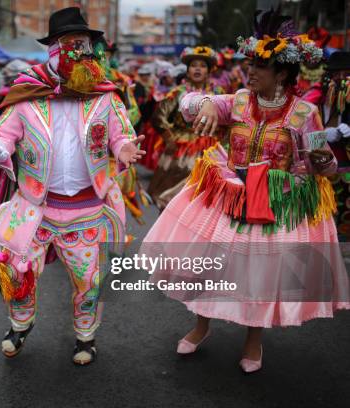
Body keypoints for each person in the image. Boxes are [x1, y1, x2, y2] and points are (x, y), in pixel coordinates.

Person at [142, 8, 350, 373]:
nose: (250, 71)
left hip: (270, 204)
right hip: (226, 195)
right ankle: (200, 325)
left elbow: (325, 167)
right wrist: (205, 102)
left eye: (259, 66)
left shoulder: (305, 115)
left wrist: (322, 162)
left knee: (257, 277)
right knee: (205, 268)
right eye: (249, 64)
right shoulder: (237, 100)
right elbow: (189, 105)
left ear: (282, 74)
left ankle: (253, 343)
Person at [0, 7, 145, 365]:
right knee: (16, 269)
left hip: (86, 209)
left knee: (88, 281)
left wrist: (125, 148)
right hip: (34, 208)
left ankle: (85, 337)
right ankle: (20, 324)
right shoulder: (26, 96)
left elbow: (120, 135)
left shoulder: (106, 97)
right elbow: (4, 137)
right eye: (73, 46)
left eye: (87, 46)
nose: (83, 54)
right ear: (53, 51)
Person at [147, 46, 224, 209]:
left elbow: (228, 120)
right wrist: (169, 138)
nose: (197, 68)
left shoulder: (219, 93)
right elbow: (158, 117)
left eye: (202, 66)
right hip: (180, 150)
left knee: (204, 201)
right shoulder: (178, 92)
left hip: (210, 149)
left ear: (209, 71)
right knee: (171, 199)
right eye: (193, 65)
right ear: (187, 70)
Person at [321, 51, 350, 243]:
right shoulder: (317, 96)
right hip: (324, 163)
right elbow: (301, 129)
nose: (340, 79)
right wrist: (323, 133)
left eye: (345, 74)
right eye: (335, 74)